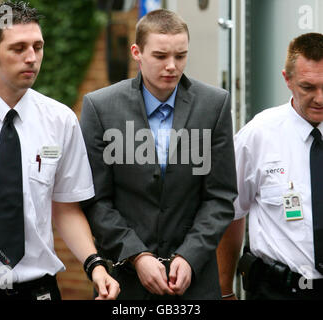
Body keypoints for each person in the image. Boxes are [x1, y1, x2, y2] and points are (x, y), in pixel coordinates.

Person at [80, 8, 237, 300]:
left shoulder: (214, 105)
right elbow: (95, 199)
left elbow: (220, 196)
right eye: (161, 56)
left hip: (195, 283)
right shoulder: (100, 108)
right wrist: (136, 255)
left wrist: (190, 255)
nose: (172, 66)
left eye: (180, 56)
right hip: (123, 283)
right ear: (136, 52)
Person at [0, 1, 120, 300]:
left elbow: (65, 208)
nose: (32, 58)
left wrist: (95, 265)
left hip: (40, 291)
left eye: (38, 46)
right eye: (19, 48)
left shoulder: (60, 120)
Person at [217, 32, 323, 300]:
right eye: (308, 87)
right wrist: (225, 291)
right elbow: (229, 212)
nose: (320, 98)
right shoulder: (259, 135)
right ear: (287, 80)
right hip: (277, 291)